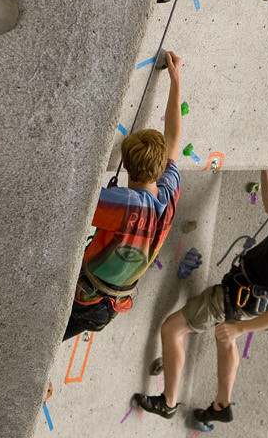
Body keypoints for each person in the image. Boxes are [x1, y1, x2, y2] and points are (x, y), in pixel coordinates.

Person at [135, 170, 268, 429]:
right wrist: (266, 168)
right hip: (245, 296)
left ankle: (167, 403)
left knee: (172, 329)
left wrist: (240, 327)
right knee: (225, 338)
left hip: (234, 298)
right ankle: (221, 406)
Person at [66, 52, 184, 339]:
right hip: (109, 310)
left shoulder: (123, 203)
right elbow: (173, 138)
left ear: (127, 168)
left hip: (85, 298)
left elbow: (71, 199)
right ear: (159, 166)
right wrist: (175, 79)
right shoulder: (168, 195)